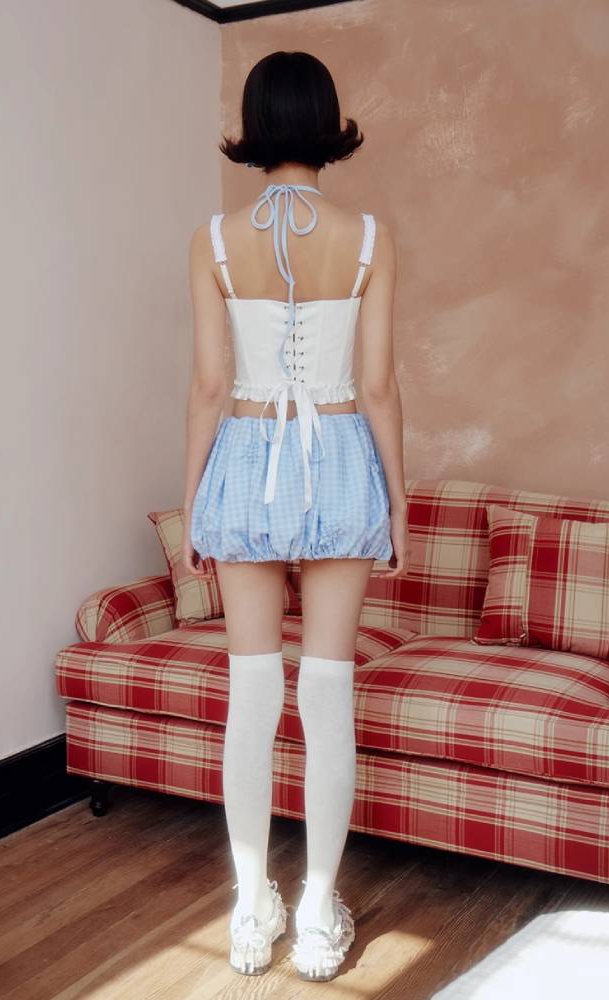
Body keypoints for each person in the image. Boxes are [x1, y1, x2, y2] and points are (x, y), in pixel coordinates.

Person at [182, 50, 410, 982]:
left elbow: (209, 386)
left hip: (245, 459)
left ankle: (250, 912)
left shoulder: (213, 239)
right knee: (326, 694)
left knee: (251, 695)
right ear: (326, 121)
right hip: (340, 459)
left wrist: (195, 500)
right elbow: (379, 385)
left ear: (255, 124)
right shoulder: (369, 238)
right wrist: (398, 499)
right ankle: (317, 913)